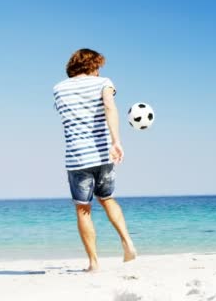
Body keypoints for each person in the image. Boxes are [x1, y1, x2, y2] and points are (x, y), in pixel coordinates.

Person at [53, 48, 136, 270]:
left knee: (83, 209)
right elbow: (110, 106)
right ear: (92, 65)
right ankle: (127, 242)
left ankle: (93, 263)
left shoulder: (58, 89)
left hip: (77, 157)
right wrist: (116, 141)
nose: (99, 71)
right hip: (103, 153)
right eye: (98, 66)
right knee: (107, 199)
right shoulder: (103, 83)